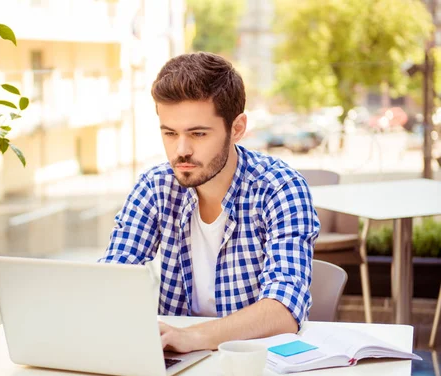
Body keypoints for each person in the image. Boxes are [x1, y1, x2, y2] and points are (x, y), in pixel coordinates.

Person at [99, 52, 320, 353]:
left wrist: (195, 337)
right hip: (178, 362)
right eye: (170, 133)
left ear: (237, 128)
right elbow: (111, 278)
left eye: (198, 134)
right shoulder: (156, 186)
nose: (181, 150)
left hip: (256, 367)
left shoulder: (279, 189)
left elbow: (283, 309)